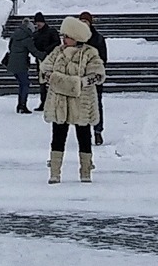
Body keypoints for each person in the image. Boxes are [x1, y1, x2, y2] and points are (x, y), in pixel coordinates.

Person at [39, 17, 105, 183]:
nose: (64, 39)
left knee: (84, 136)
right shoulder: (57, 52)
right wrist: (62, 81)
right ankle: (54, 172)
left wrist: (76, 83)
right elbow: (44, 70)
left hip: (81, 102)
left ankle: (86, 170)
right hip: (60, 102)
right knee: (58, 136)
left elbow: (97, 75)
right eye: (63, 36)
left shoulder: (90, 53)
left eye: (67, 36)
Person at [79, 11, 110, 140]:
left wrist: (95, 68)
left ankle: (98, 131)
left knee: (97, 103)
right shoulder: (77, 38)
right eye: (81, 21)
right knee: (82, 105)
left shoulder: (97, 38)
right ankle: (86, 131)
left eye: (86, 21)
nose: (84, 24)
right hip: (80, 77)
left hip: (94, 76)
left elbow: (103, 58)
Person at [1, 18, 34, 113]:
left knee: (22, 84)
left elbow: (10, 47)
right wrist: (45, 56)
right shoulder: (27, 39)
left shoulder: (15, 34)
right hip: (21, 64)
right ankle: (22, 106)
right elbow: (34, 51)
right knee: (25, 84)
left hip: (12, 63)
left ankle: (20, 105)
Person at [28, 12, 58, 111]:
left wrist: (46, 51)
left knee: (51, 82)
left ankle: (52, 102)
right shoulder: (36, 34)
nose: (38, 24)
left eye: (39, 22)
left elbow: (57, 43)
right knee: (42, 82)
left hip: (51, 60)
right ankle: (43, 102)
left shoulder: (51, 31)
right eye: (36, 22)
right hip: (40, 60)